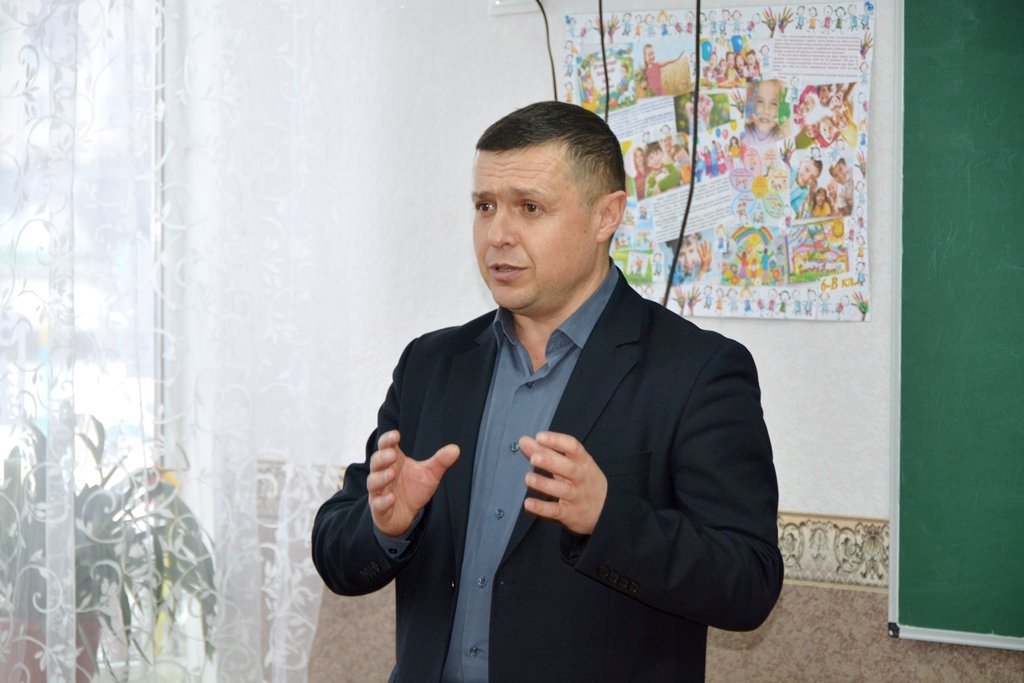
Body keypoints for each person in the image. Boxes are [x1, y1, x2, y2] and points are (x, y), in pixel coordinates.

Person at [311, 101, 782, 682]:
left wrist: (608, 519)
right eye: (485, 206)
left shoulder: (697, 371)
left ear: (606, 216)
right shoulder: (432, 365)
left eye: (529, 208)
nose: (498, 235)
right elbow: (336, 552)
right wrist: (387, 526)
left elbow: (749, 583)